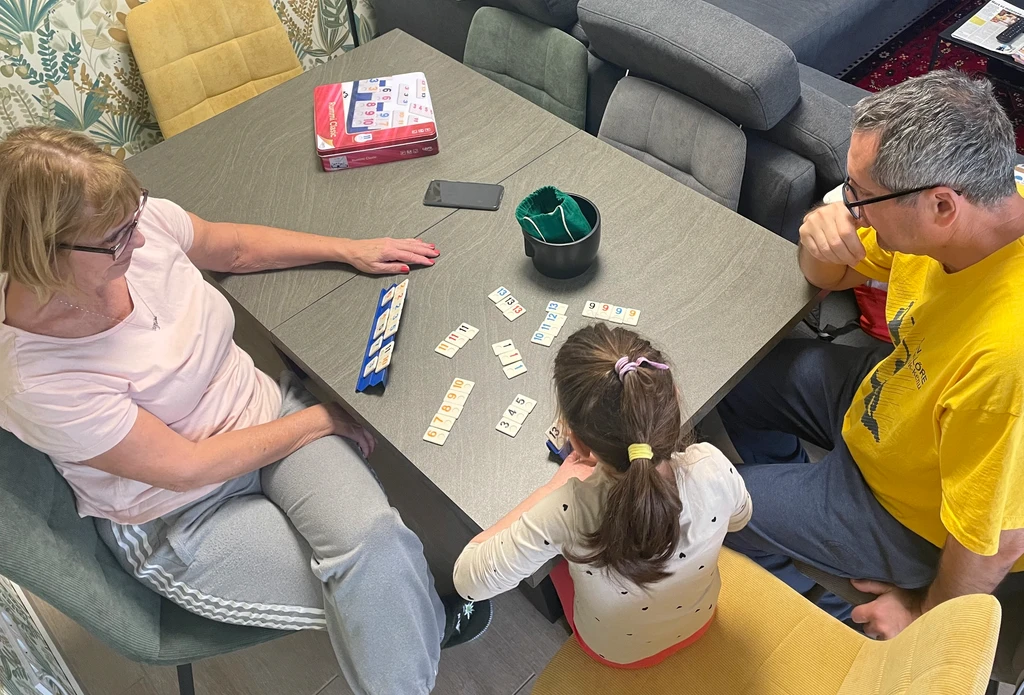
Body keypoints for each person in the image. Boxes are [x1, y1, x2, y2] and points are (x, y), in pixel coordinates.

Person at [0, 126, 488, 695]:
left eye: (134, 218)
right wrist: (321, 418)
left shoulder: (136, 225)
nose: (137, 242)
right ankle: (424, 624)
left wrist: (345, 247)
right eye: (115, 240)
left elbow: (229, 247)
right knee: (377, 600)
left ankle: (421, 619)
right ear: (39, 254)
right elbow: (186, 467)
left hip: (264, 416)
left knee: (380, 550)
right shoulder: (35, 376)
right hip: (183, 512)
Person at [719, 70, 1024, 642]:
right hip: (896, 397)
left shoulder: (1007, 361)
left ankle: (836, 622)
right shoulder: (972, 218)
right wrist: (819, 231)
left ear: (941, 206)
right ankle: (795, 486)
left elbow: (997, 540)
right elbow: (823, 274)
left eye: (860, 194)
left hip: (911, 516)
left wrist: (922, 616)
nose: (850, 206)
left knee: (716, 511)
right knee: (733, 376)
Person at [454, 324, 751, 667]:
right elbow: (740, 519)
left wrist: (551, 489)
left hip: (617, 654)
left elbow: (467, 580)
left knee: (558, 562)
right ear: (675, 402)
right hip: (699, 619)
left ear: (577, 444)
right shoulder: (711, 464)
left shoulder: (565, 511)